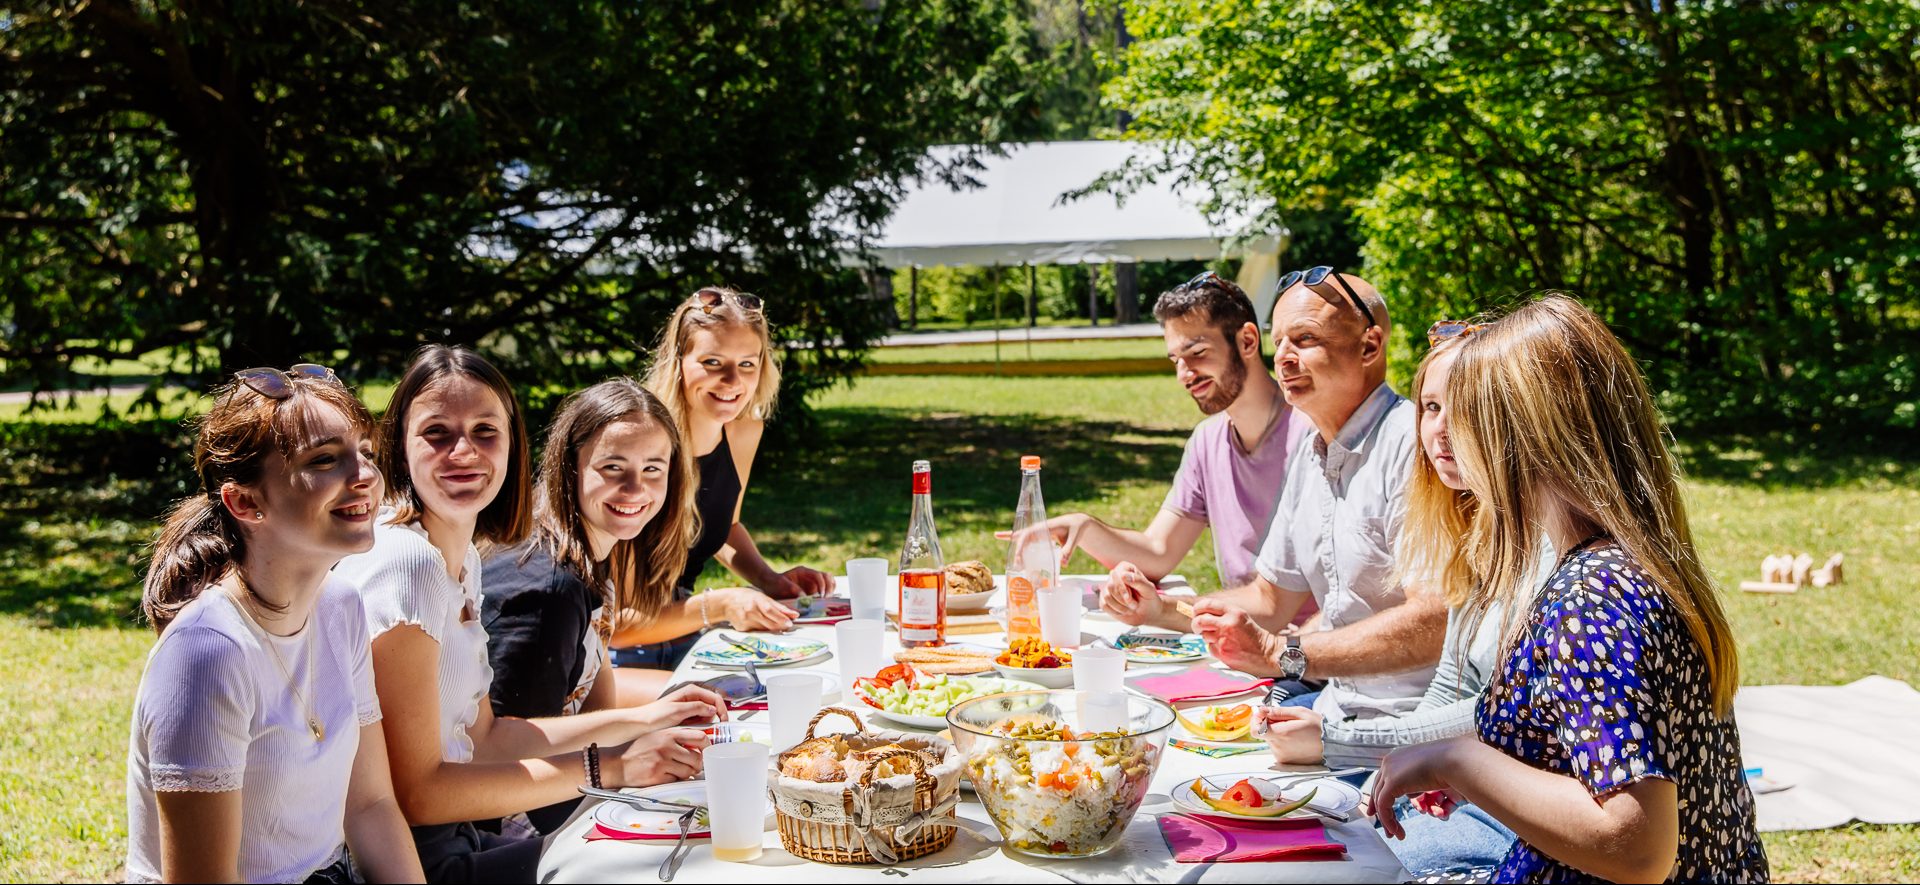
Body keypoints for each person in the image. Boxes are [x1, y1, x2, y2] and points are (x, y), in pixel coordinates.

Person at [1371, 295, 1768, 883]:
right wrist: (1478, 777)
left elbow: (1637, 847)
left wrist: (1455, 758)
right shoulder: (1631, 558)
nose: (1445, 434)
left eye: (1469, 414)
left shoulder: (1592, 597)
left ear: (1519, 433)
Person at [334, 352, 723, 879]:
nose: (464, 451)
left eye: (485, 431)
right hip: (412, 859)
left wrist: (645, 718)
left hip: (454, 838)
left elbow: (489, 737)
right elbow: (418, 796)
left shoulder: (460, 553)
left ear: (514, 444)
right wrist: (612, 766)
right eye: (437, 433)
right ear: (398, 447)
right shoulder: (408, 563)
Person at [127, 364, 424, 883]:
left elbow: (371, 805)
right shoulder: (207, 656)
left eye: (366, 453)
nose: (366, 477)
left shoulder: (341, 606)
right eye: (326, 459)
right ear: (245, 502)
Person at [1105, 267, 1447, 716]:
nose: (1283, 357)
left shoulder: (1412, 444)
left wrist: (1283, 654)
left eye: (1305, 339)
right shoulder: (1313, 451)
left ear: (1369, 347)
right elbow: (1268, 600)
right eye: (1279, 341)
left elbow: (1435, 620)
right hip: (1332, 707)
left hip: (1411, 733)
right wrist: (1162, 608)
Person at [1254, 323, 1520, 879]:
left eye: (1466, 409)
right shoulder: (1487, 532)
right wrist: (1393, 767)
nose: (1441, 431)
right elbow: (1453, 681)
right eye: (1431, 407)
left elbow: (1497, 715)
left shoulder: (1561, 556)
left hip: (1510, 814)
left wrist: (1336, 741)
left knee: (1349, 863)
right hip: (1450, 775)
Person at [482, 377, 720, 832]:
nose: (635, 488)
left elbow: (594, 706)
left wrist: (647, 730)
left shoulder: (590, 549)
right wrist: (626, 778)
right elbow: (508, 757)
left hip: (571, 792)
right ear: (570, 467)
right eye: (613, 467)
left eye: (653, 468)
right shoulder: (548, 591)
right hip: (514, 831)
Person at [998, 271, 1313, 609]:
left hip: (1307, 648)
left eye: (1197, 352)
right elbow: (1159, 551)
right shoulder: (1207, 442)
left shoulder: (1313, 435)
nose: (1184, 374)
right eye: (1176, 360)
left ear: (1247, 341)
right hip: (1237, 640)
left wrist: (1168, 612)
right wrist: (1085, 527)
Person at [608, 286, 826, 683]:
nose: (732, 380)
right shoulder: (641, 442)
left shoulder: (743, 431)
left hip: (684, 630)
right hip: (611, 653)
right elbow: (618, 625)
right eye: (712, 362)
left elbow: (723, 525)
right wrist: (722, 604)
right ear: (678, 360)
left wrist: (768, 579)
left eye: (747, 363)